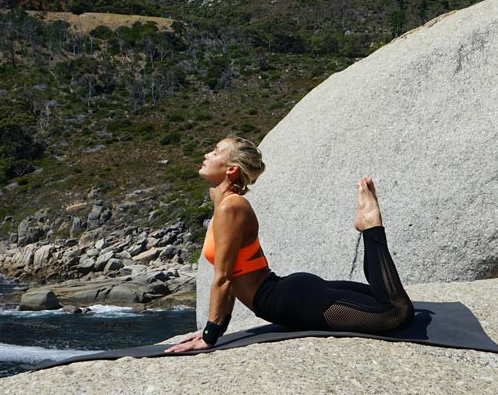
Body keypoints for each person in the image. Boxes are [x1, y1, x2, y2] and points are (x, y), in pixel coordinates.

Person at [165, 137, 414, 353]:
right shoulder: (227, 205)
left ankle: (371, 226)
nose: (207, 154)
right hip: (289, 291)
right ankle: (368, 226)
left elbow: (223, 278)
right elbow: (230, 279)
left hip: (286, 300)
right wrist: (215, 329)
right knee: (388, 301)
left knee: (397, 314)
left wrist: (209, 337)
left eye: (216, 151)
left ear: (231, 170)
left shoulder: (231, 207)